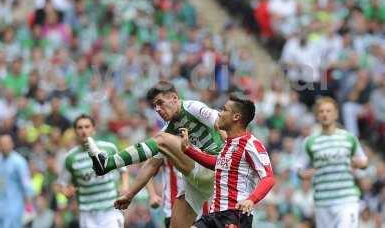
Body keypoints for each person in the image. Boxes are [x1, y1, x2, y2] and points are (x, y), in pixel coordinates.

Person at [87, 81, 225, 227]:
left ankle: (108, 163)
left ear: (174, 98)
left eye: (160, 103)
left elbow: (221, 124)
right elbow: (151, 165)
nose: (158, 109)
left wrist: (232, 155)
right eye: (155, 106)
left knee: (160, 140)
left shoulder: (192, 107)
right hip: (197, 183)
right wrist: (129, 195)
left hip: (213, 166)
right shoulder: (167, 130)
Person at [180, 92, 275, 228]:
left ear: (236, 117)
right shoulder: (229, 143)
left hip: (234, 216)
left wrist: (251, 200)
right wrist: (188, 150)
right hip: (214, 214)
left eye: (224, 110)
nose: (219, 113)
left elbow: (269, 178)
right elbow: (218, 164)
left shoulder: (251, 144)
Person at [297, 97, 368, 228]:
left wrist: (359, 163)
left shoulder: (348, 138)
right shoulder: (310, 142)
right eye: (321, 111)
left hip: (347, 198)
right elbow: (299, 168)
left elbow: (364, 160)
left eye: (328, 111)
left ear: (336, 113)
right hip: (322, 201)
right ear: (317, 115)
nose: (325, 114)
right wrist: (303, 173)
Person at [56, 114, 129, 228]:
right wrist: (65, 191)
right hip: (87, 213)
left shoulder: (109, 148)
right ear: (75, 132)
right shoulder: (70, 158)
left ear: (93, 129)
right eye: (80, 128)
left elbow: (123, 170)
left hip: (110, 209)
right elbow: (60, 184)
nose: (83, 131)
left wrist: (124, 187)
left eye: (87, 126)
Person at [0, 134, 33, 228]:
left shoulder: (19, 162)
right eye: (2, 144)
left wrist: (29, 204)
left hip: (14, 204)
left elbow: (26, 183)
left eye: (6, 144)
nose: (4, 147)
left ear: (12, 144)